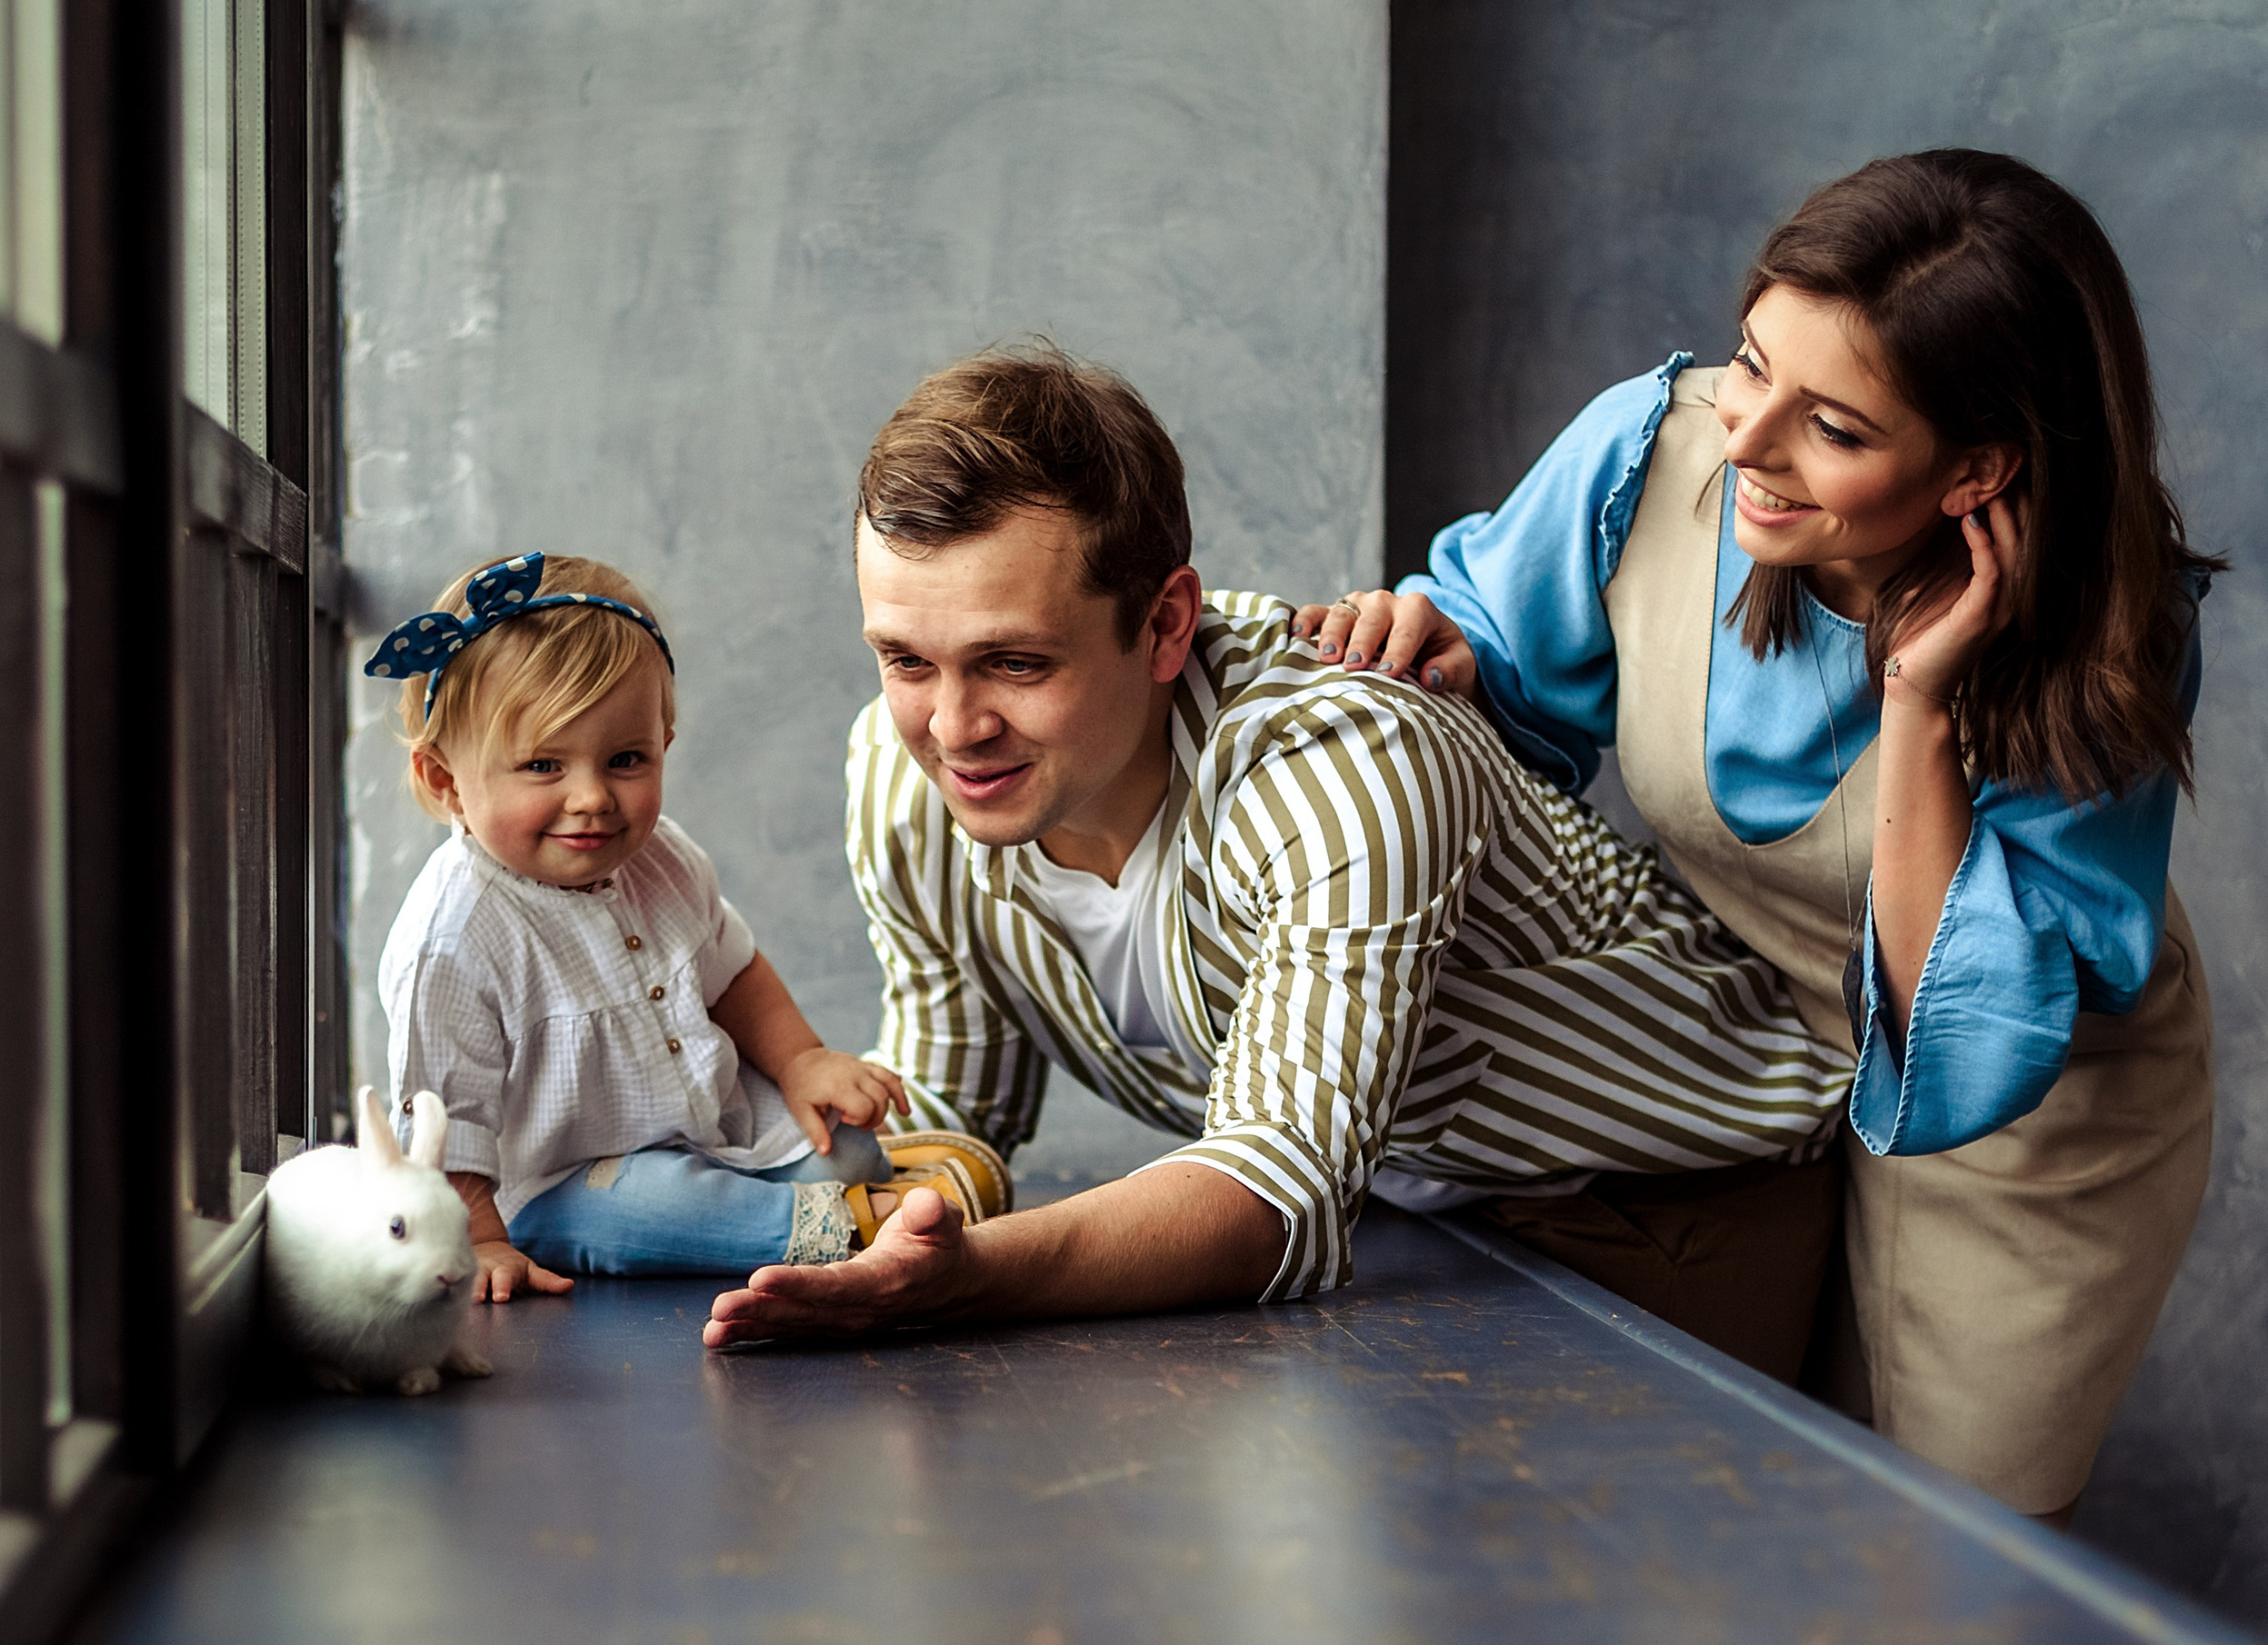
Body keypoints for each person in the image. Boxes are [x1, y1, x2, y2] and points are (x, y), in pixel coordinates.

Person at [1300, 149, 2216, 1520]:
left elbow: (1965, 1032)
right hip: (1754, 1057)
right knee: (1772, 1512)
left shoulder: (2103, 626)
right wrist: (1432, 649)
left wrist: (1919, 703)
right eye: (1750, 362)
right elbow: (1497, 658)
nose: (1745, 441)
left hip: (2029, 1114)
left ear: (1978, 466)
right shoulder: (1650, 456)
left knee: (1951, 1553)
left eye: (1832, 427)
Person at [704, 344, 1862, 1380]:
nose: (952, 728)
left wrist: (966, 1278)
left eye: (1014, 663)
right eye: (906, 659)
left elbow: (1276, 1192)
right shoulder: (900, 772)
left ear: (1166, 625)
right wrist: (825, 1204)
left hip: (1655, 1193)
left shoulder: (1345, 760)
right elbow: (956, 1099)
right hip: (1397, 1203)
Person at [370, 551, 1008, 1299]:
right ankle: (862, 1225)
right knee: (649, 1211)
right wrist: (477, 1237)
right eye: (543, 766)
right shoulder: (456, 936)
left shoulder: (661, 858)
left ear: (664, 744)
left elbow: (732, 972)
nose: (592, 798)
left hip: (709, 1125)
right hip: (559, 1183)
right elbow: (446, 1112)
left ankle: (870, 1183)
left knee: (844, 1147)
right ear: (446, 780)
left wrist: (801, 1060)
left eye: (625, 759)